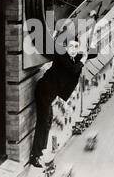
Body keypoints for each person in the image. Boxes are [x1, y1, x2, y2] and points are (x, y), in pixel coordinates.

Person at [29, 34, 98, 167]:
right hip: (43, 91)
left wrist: (89, 40)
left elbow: (94, 53)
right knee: (43, 123)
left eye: (76, 47)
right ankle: (35, 155)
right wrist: (83, 59)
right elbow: (73, 69)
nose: (73, 49)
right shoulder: (62, 57)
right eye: (70, 46)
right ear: (65, 47)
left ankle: (40, 151)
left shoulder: (76, 57)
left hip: (50, 95)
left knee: (48, 121)